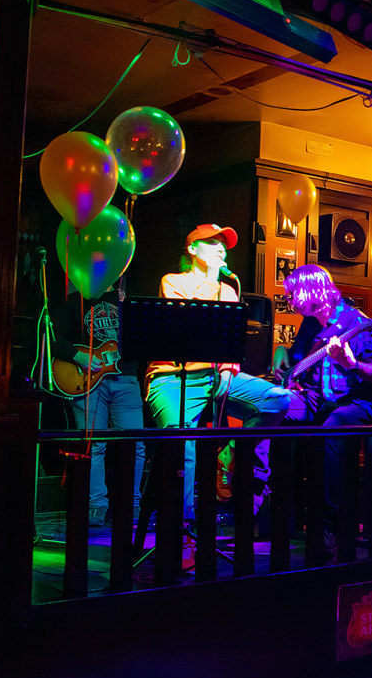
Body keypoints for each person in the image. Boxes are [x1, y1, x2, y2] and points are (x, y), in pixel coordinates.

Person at [144, 225, 292, 544]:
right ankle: (183, 531)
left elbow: (228, 339)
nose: (221, 249)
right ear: (192, 250)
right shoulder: (174, 282)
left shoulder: (228, 289)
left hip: (215, 376)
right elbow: (189, 326)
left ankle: (229, 454)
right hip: (173, 378)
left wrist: (227, 368)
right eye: (212, 243)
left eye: (224, 244)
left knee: (277, 399)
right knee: (181, 445)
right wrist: (212, 281)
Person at [276, 265, 372, 555]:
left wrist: (352, 364)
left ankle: (329, 526)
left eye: (293, 293)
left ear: (313, 291)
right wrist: (284, 366)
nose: (289, 300)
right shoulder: (310, 325)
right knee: (275, 408)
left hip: (357, 401)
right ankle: (266, 501)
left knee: (332, 429)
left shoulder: (357, 323)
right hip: (319, 398)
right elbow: (297, 363)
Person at [49, 290, 146, 527]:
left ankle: (131, 503)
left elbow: (143, 339)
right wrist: (77, 356)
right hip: (87, 380)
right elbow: (51, 336)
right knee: (92, 444)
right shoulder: (75, 300)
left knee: (135, 444)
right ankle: (96, 505)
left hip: (125, 377)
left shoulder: (127, 301)